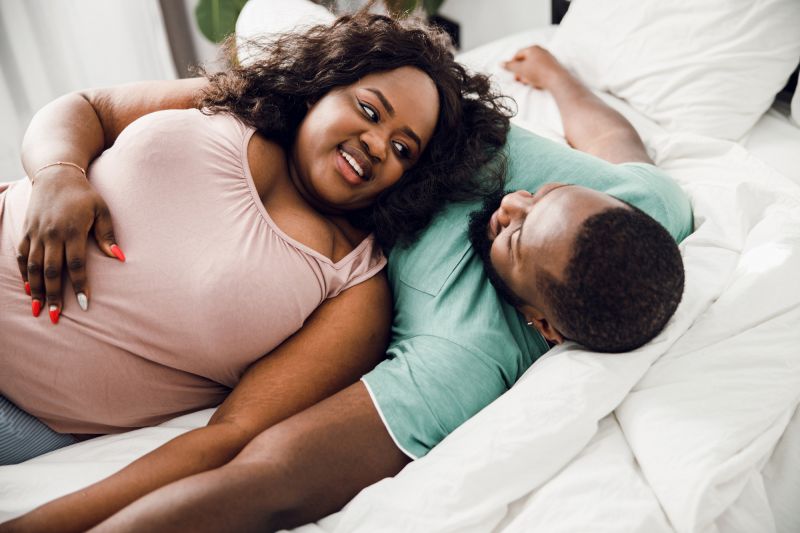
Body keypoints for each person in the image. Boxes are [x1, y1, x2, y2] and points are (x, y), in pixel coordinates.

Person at [0, 45, 691, 533]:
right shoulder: (651, 205)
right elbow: (616, 148)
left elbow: (263, 472)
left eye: (402, 148)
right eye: (545, 195)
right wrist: (558, 74)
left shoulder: (451, 352)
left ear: (544, 324)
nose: (511, 204)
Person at [0, 11, 511, 528]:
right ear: (323, 88)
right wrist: (57, 174)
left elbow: (227, 438)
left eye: (403, 149)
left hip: (18, 410)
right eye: (369, 111)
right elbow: (90, 107)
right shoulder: (233, 105)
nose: (378, 145)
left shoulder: (354, 289)